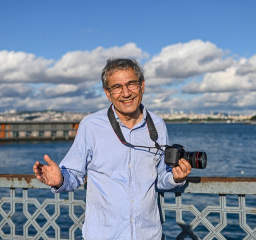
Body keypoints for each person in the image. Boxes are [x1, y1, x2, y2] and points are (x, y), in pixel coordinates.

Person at [33, 58, 191, 240]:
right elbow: (74, 175)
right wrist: (60, 180)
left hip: (149, 235)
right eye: (117, 87)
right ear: (108, 94)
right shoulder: (91, 125)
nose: (126, 93)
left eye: (131, 84)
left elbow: (160, 178)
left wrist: (176, 177)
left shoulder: (157, 125)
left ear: (142, 86)